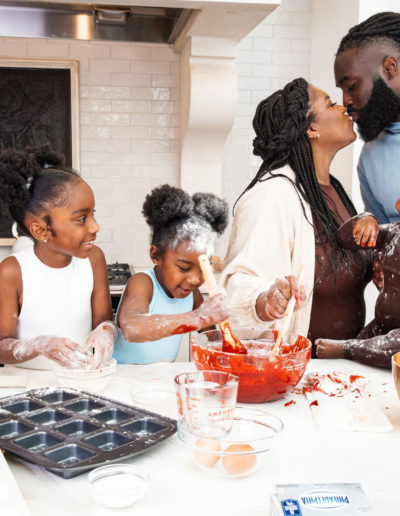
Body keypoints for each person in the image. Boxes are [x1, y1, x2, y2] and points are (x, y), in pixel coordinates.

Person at [220, 78, 372, 356]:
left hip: (342, 373)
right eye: (330, 103)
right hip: (298, 377)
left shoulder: (334, 191)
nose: (343, 109)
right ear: (311, 127)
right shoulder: (271, 195)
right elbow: (236, 289)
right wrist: (265, 302)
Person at [0, 145, 117, 370]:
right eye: (82, 218)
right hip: (28, 386)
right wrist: (39, 345)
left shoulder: (93, 259)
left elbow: (103, 322)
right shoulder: (12, 271)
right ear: (41, 231)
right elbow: (2, 346)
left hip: (80, 380)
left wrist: (106, 332)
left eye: (93, 214)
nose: (95, 226)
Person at [113, 184, 230, 364]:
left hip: (160, 382)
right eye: (184, 268)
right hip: (122, 382)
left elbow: (214, 337)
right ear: (156, 255)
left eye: (203, 270)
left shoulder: (191, 295)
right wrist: (196, 317)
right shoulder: (143, 283)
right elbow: (132, 328)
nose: (194, 279)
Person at [334, 11, 400, 224]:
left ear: (389, 69)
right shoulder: (370, 157)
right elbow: (381, 245)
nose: (345, 101)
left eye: (352, 86)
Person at [316, 208, 400, 368]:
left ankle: (347, 348)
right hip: (381, 324)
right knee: (361, 351)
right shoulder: (393, 232)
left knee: (390, 346)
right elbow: (345, 238)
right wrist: (368, 219)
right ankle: (354, 350)